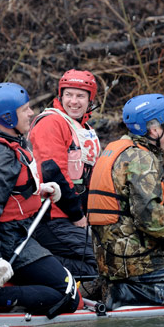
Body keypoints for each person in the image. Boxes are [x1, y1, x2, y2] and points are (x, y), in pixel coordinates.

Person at [0, 82, 80, 317]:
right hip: (4, 240)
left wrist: (39, 190)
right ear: (8, 117)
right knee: (69, 295)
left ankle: (16, 295)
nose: (31, 113)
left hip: (7, 233)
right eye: (25, 110)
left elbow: (4, 191)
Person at [87, 93, 164, 310]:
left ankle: (112, 284)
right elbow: (149, 219)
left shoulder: (117, 149)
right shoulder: (142, 159)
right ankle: (124, 292)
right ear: (154, 130)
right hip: (130, 260)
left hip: (109, 257)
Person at [28, 70, 100, 278]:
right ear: (60, 96)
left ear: (90, 100)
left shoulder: (83, 127)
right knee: (104, 262)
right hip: (53, 217)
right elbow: (52, 171)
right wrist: (77, 215)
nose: (74, 101)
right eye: (69, 95)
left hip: (74, 217)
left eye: (80, 96)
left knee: (111, 256)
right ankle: (37, 265)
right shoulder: (52, 122)